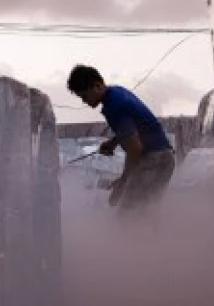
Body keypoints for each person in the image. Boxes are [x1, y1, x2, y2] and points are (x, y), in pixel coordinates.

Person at [66, 64, 175, 211]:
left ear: (97, 86)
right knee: (147, 212)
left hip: (154, 160)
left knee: (130, 215)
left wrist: (123, 182)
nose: (84, 101)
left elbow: (135, 149)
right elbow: (136, 126)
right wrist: (114, 142)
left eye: (85, 96)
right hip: (163, 158)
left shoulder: (113, 106)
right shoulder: (117, 92)